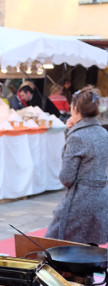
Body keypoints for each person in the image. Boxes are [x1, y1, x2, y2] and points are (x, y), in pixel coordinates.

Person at [45, 87, 108, 244]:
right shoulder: (103, 133)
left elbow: (66, 177)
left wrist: (71, 136)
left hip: (80, 200)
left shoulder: (78, 137)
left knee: (54, 246)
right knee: (90, 249)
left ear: (75, 109)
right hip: (101, 198)